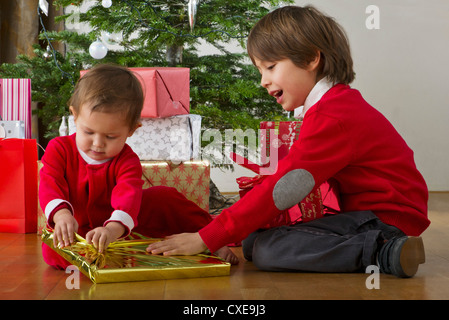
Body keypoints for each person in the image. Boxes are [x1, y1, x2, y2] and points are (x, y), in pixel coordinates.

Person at [146, 5, 430, 278]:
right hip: (364, 215)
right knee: (253, 242)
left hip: (387, 219)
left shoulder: (334, 115)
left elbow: (284, 187)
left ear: (310, 59)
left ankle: (384, 251)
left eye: (270, 67)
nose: (263, 81)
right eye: (260, 71)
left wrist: (206, 237)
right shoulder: (329, 106)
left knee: (270, 250)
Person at [39, 64, 238, 269]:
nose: (98, 144)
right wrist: (61, 215)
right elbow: (49, 184)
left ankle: (211, 236)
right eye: (88, 132)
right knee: (53, 251)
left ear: (132, 130)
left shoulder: (126, 159)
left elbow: (128, 196)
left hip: (121, 224)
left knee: (164, 197)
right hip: (77, 227)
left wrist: (112, 229)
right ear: (75, 116)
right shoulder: (59, 149)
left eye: (110, 136)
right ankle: (100, 254)